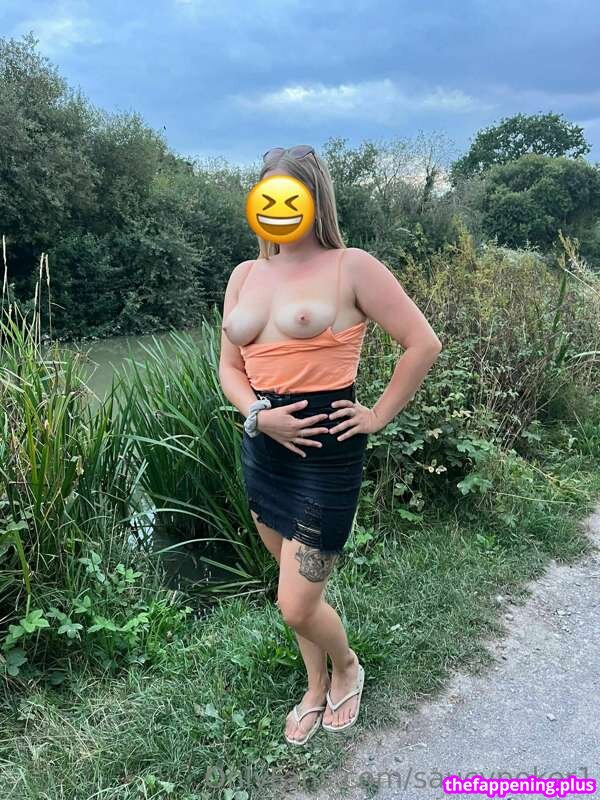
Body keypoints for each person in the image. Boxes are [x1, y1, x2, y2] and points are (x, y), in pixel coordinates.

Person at [219, 145, 442, 745]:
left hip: (326, 452)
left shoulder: (352, 267)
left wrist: (378, 415)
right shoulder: (243, 276)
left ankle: (346, 666)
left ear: (314, 199)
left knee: (295, 603)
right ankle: (314, 686)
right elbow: (230, 369)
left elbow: (422, 342)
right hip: (263, 448)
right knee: (289, 583)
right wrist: (258, 416)